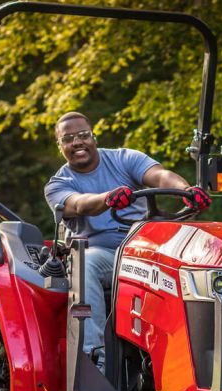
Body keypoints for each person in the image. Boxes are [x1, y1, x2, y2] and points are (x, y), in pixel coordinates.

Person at [44, 111, 211, 369]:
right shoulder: (58, 184)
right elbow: (78, 204)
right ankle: (94, 362)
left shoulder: (125, 159)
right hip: (104, 254)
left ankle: (204, 357)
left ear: (93, 137)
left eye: (83, 135)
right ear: (60, 146)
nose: (77, 142)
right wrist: (107, 198)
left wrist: (186, 190)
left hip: (147, 247)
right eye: (68, 139)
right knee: (85, 263)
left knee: (202, 259)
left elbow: (161, 176)